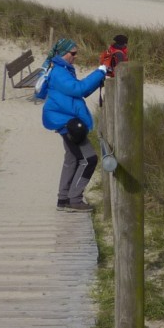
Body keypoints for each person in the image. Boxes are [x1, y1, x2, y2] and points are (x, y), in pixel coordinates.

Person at [35, 38, 110, 211]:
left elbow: (80, 91)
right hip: (67, 123)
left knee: (72, 159)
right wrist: (101, 70)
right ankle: (74, 199)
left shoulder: (63, 69)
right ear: (63, 53)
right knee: (89, 160)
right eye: (73, 53)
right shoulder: (59, 72)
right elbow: (79, 89)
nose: (75, 56)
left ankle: (63, 199)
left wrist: (101, 75)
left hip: (66, 121)